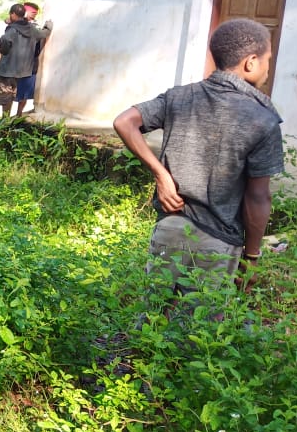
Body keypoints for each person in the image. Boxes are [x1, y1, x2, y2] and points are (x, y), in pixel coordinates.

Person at [112, 17, 283, 309]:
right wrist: (252, 257)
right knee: (196, 336)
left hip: (169, 229)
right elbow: (257, 197)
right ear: (251, 62)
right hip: (217, 243)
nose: (268, 67)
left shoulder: (180, 97)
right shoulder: (262, 119)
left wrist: (161, 175)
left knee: (154, 321)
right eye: (267, 58)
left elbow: (124, 122)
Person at [0, 3, 52, 117]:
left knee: (6, 98)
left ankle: (4, 123)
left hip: (7, 72)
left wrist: (3, 47)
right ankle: (15, 119)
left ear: (13, 14)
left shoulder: (11, 30)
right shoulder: (32, 29)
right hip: (22, 73)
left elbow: (4, 45)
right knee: (16, 95)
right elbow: (44, 33)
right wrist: (48, 26)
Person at [13, 2, 45, 116]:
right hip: (17, 65)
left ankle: (18, 114)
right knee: (12, 93)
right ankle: (8, 117)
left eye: (36, 14)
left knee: (24, 93)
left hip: (29, 64)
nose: (34, 16)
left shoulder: (33, 26)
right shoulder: (17, 25)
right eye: (33, 13)